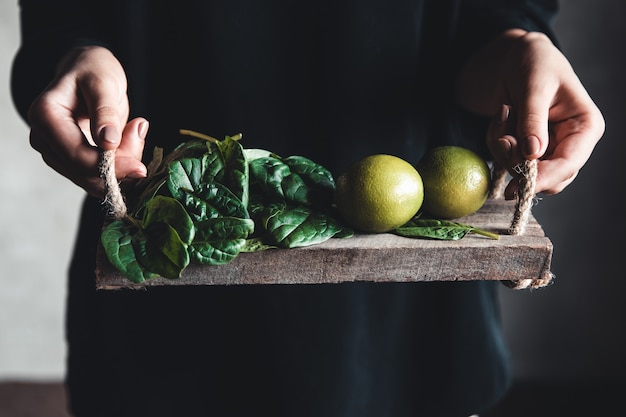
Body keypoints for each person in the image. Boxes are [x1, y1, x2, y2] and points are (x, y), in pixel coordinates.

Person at [11, 1, 604, 416]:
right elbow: (57, 24)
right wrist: (72, 61)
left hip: (409, 333)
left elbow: (492, 21)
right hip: (169, 308)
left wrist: (520, 50)